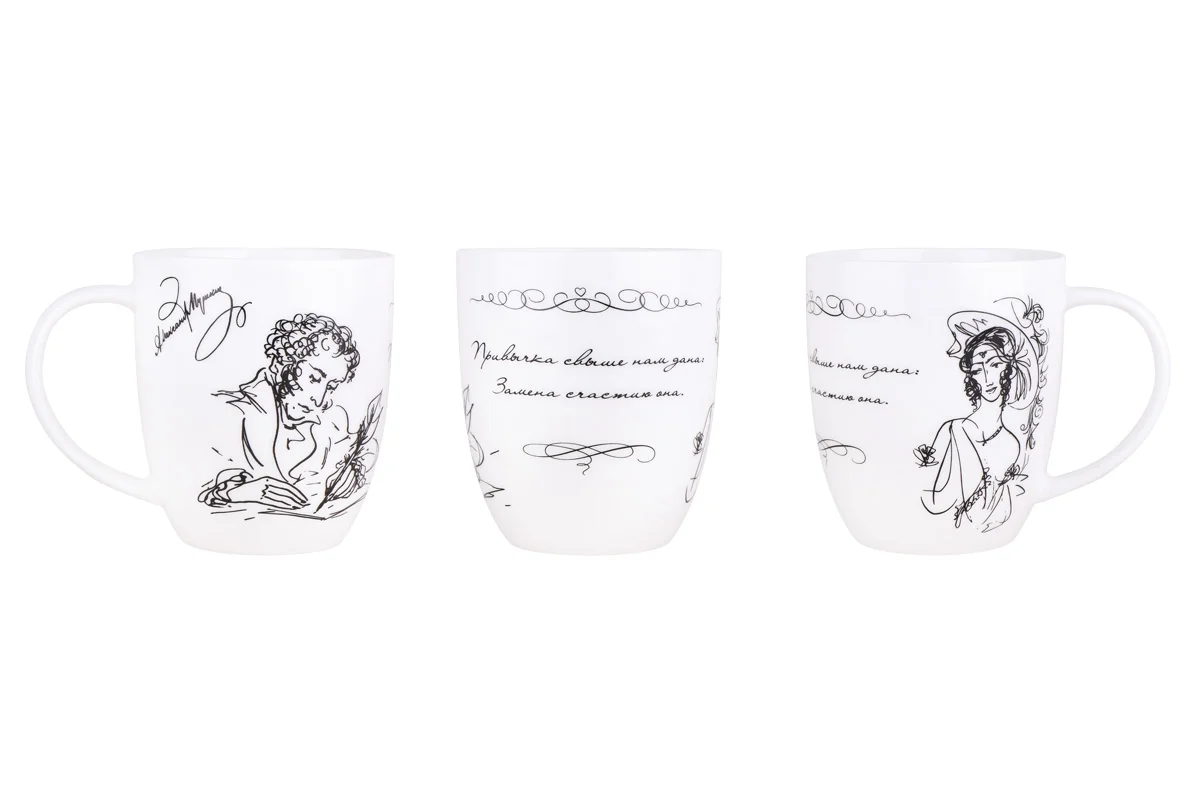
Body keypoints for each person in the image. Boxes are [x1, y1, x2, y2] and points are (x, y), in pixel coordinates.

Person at [198, 313, 379, 518]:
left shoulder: (332, 422)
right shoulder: (233, 410)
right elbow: (197, 489)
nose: (319, 398)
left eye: (331, 386)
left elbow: (364, 450)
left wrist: (353, 474)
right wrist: (239, 492)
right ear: (287, 362)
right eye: (314, 378)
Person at [916, 301, 1044, 533]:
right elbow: (930, 498)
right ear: (972, 377)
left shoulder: (1011, 444)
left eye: (994, 365)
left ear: (1009, 369)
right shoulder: (953, 430)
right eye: (977, 369)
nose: (986, 377)